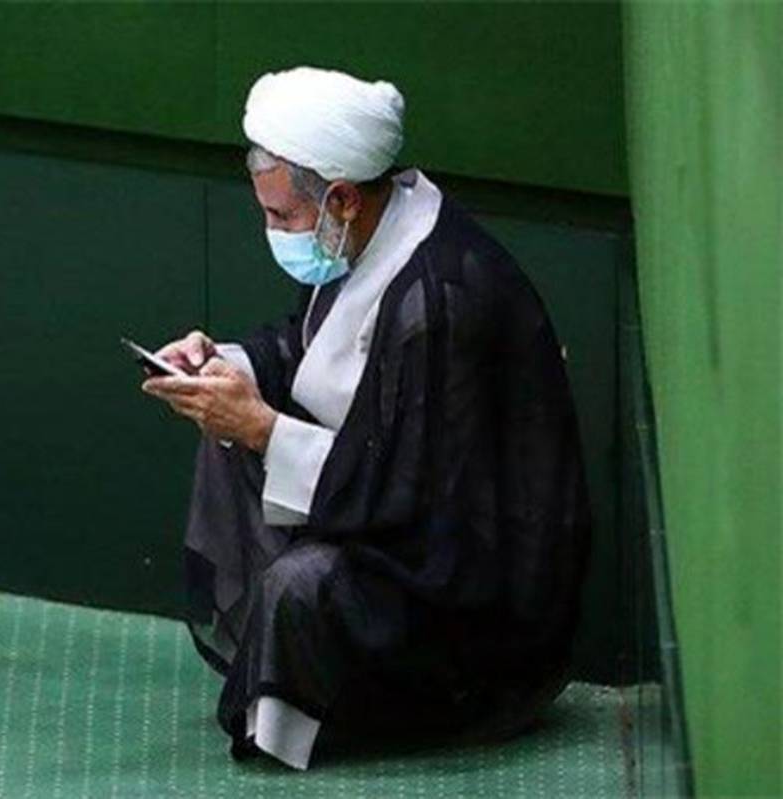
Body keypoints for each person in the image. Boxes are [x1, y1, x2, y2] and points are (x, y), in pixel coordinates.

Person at [141, 66, 592, 771]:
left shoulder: (439, 300)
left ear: (342, 198)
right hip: (399, 520)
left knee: (299, 585)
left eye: (282, 217)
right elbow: (311, 350)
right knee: (224, 435)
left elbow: (417, 502)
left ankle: (301, 708)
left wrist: (261, 427)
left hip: (476, 615)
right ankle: (283, 667)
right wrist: (224, 365)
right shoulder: (369, 234)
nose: (273, 232)